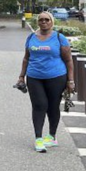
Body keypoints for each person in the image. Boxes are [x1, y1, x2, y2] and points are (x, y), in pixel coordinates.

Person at [17, 12, 74, 153]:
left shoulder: (60, 38)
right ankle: (38, 138)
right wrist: (21, 76)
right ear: (38, 22)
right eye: (41, 20)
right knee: (39, 105)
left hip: (56, 77)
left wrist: (70, 80)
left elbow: (68, 60)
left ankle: (52, 136)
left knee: (53, 107)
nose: (44, 22)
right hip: (34, 77)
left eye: (46, 19)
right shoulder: (31, 37)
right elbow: (26, 58)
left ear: (51, 22)